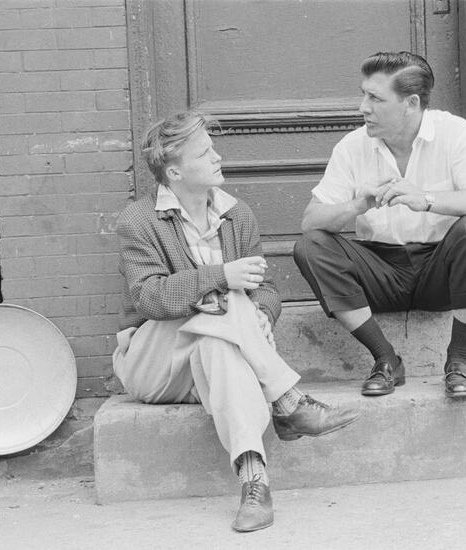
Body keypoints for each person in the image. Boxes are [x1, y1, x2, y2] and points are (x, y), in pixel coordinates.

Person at [112, 109, 359, 533]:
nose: (218, 157)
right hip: (155, 365)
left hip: (208, 362)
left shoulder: (236, 215)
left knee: (220, 343)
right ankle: (288, 402)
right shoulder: (139, 220)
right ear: (174, 172)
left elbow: (265, 288)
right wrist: (220, 277)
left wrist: (261, 314)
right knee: (226, 300)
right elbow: (148, 298)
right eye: (204, 153)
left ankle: (254, 484)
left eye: (214, 149)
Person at [294, 51, 466, 399]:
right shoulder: (353, 146)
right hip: (381, 271)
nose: (363, 107)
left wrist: (427, 199)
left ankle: (459, 359)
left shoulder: (454, 133)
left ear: (410, 103)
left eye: (375, 98)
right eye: (364, 95)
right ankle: (386, 359)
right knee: (311, 246)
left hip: (442, 272)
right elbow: (310, 221)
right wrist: (357, 205)